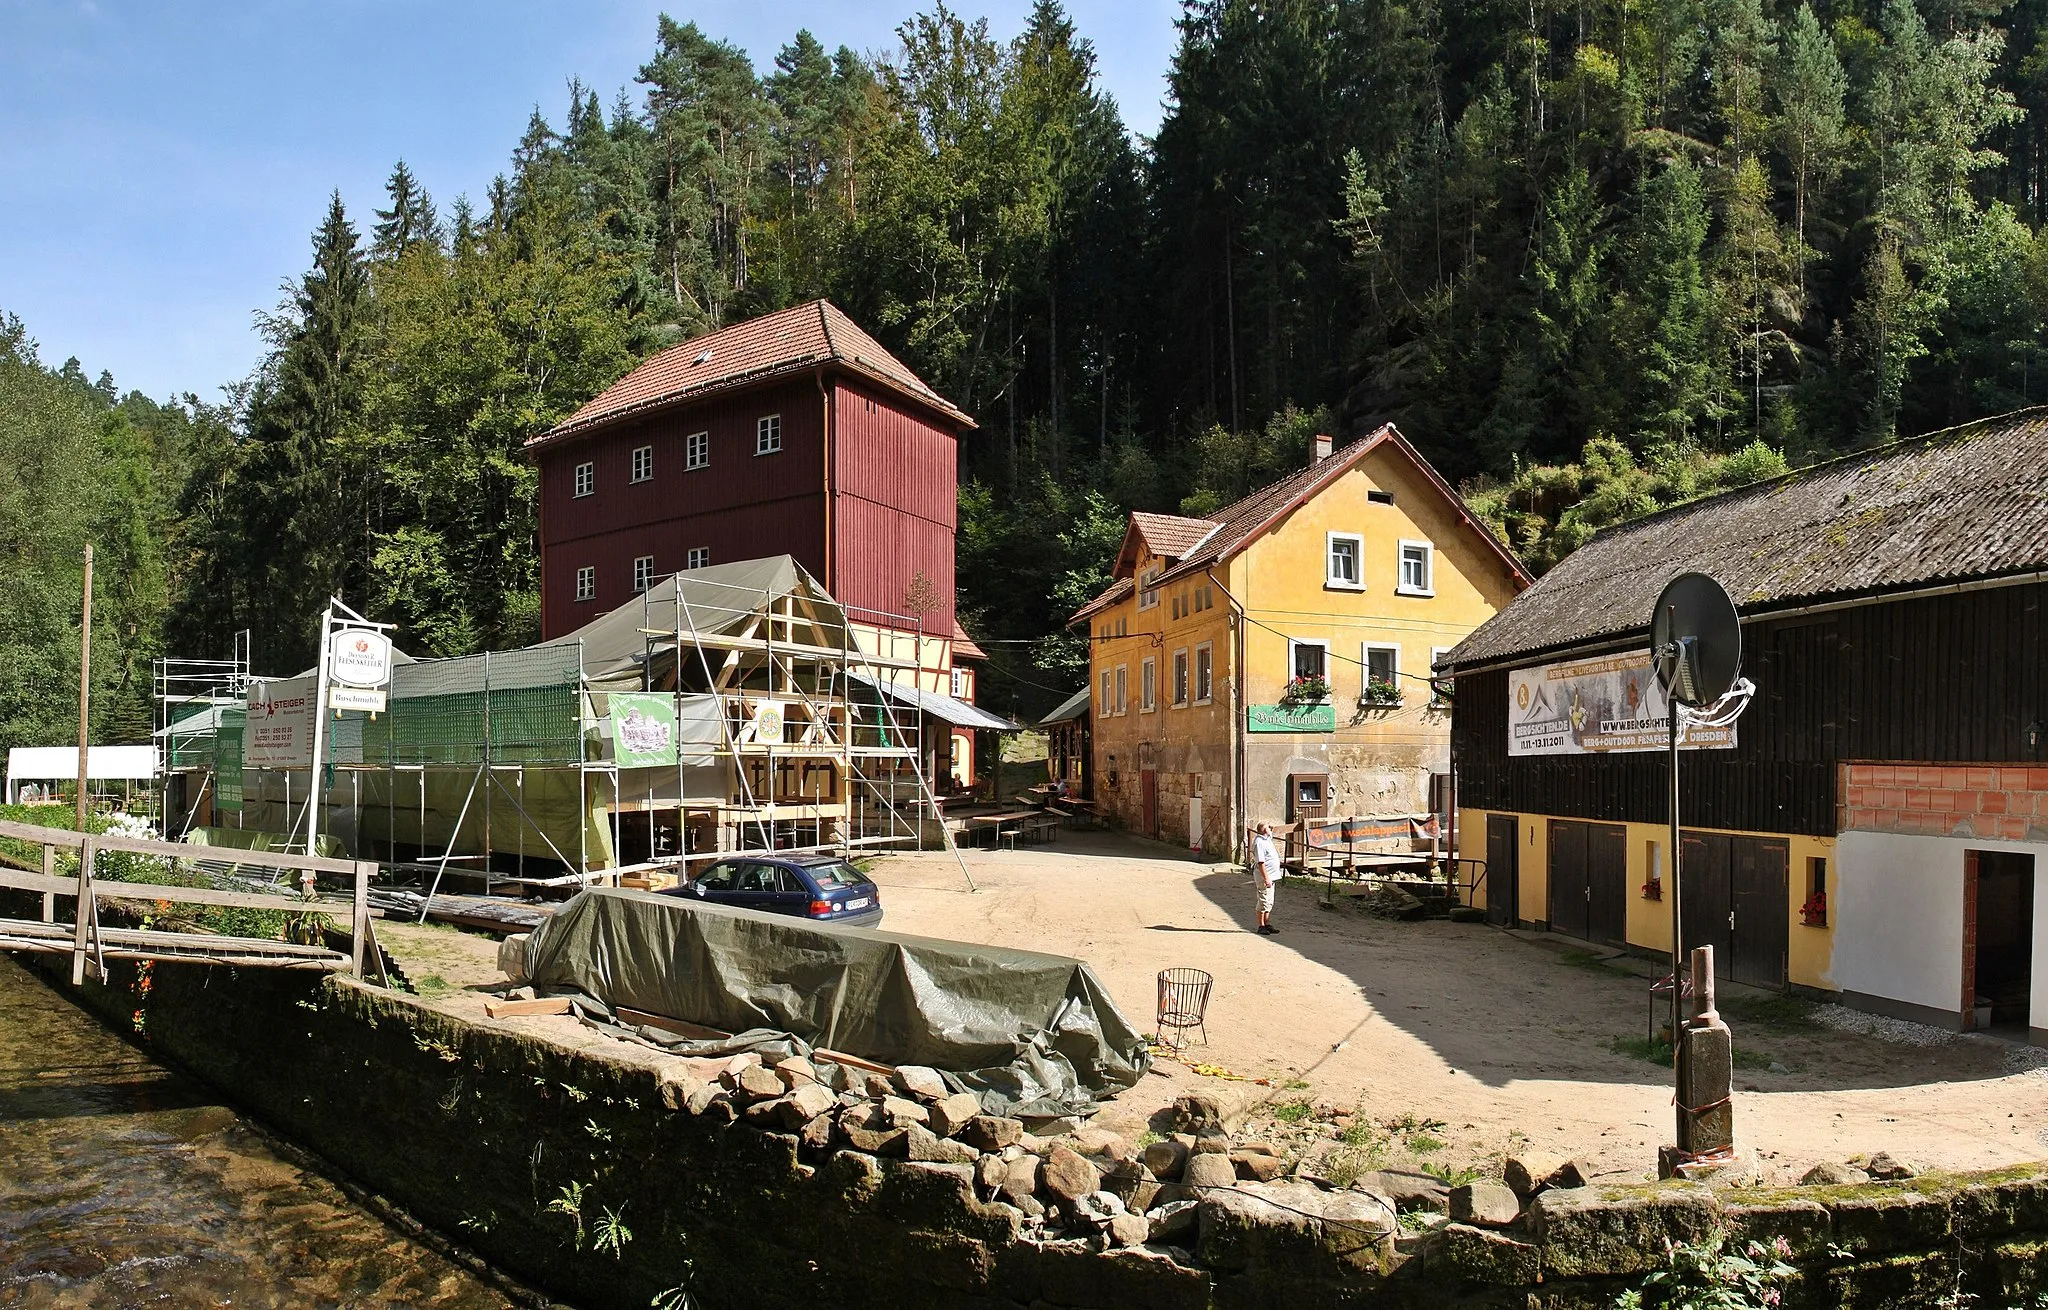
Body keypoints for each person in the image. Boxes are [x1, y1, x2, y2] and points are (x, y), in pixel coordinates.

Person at [1250, 821, 1283, 934]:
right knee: (1263, 901)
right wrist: (1266, 878)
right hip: (1264, 876)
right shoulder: (1259, 843)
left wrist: (1270, 828)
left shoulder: (1266, 838)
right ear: (1264, 830)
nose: (1270, 829)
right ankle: (1261, 925)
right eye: (1268, 828)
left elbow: (1270, 833)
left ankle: (1267, 923)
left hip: (1272, 875)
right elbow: (1261, 862)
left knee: (1269, 901)